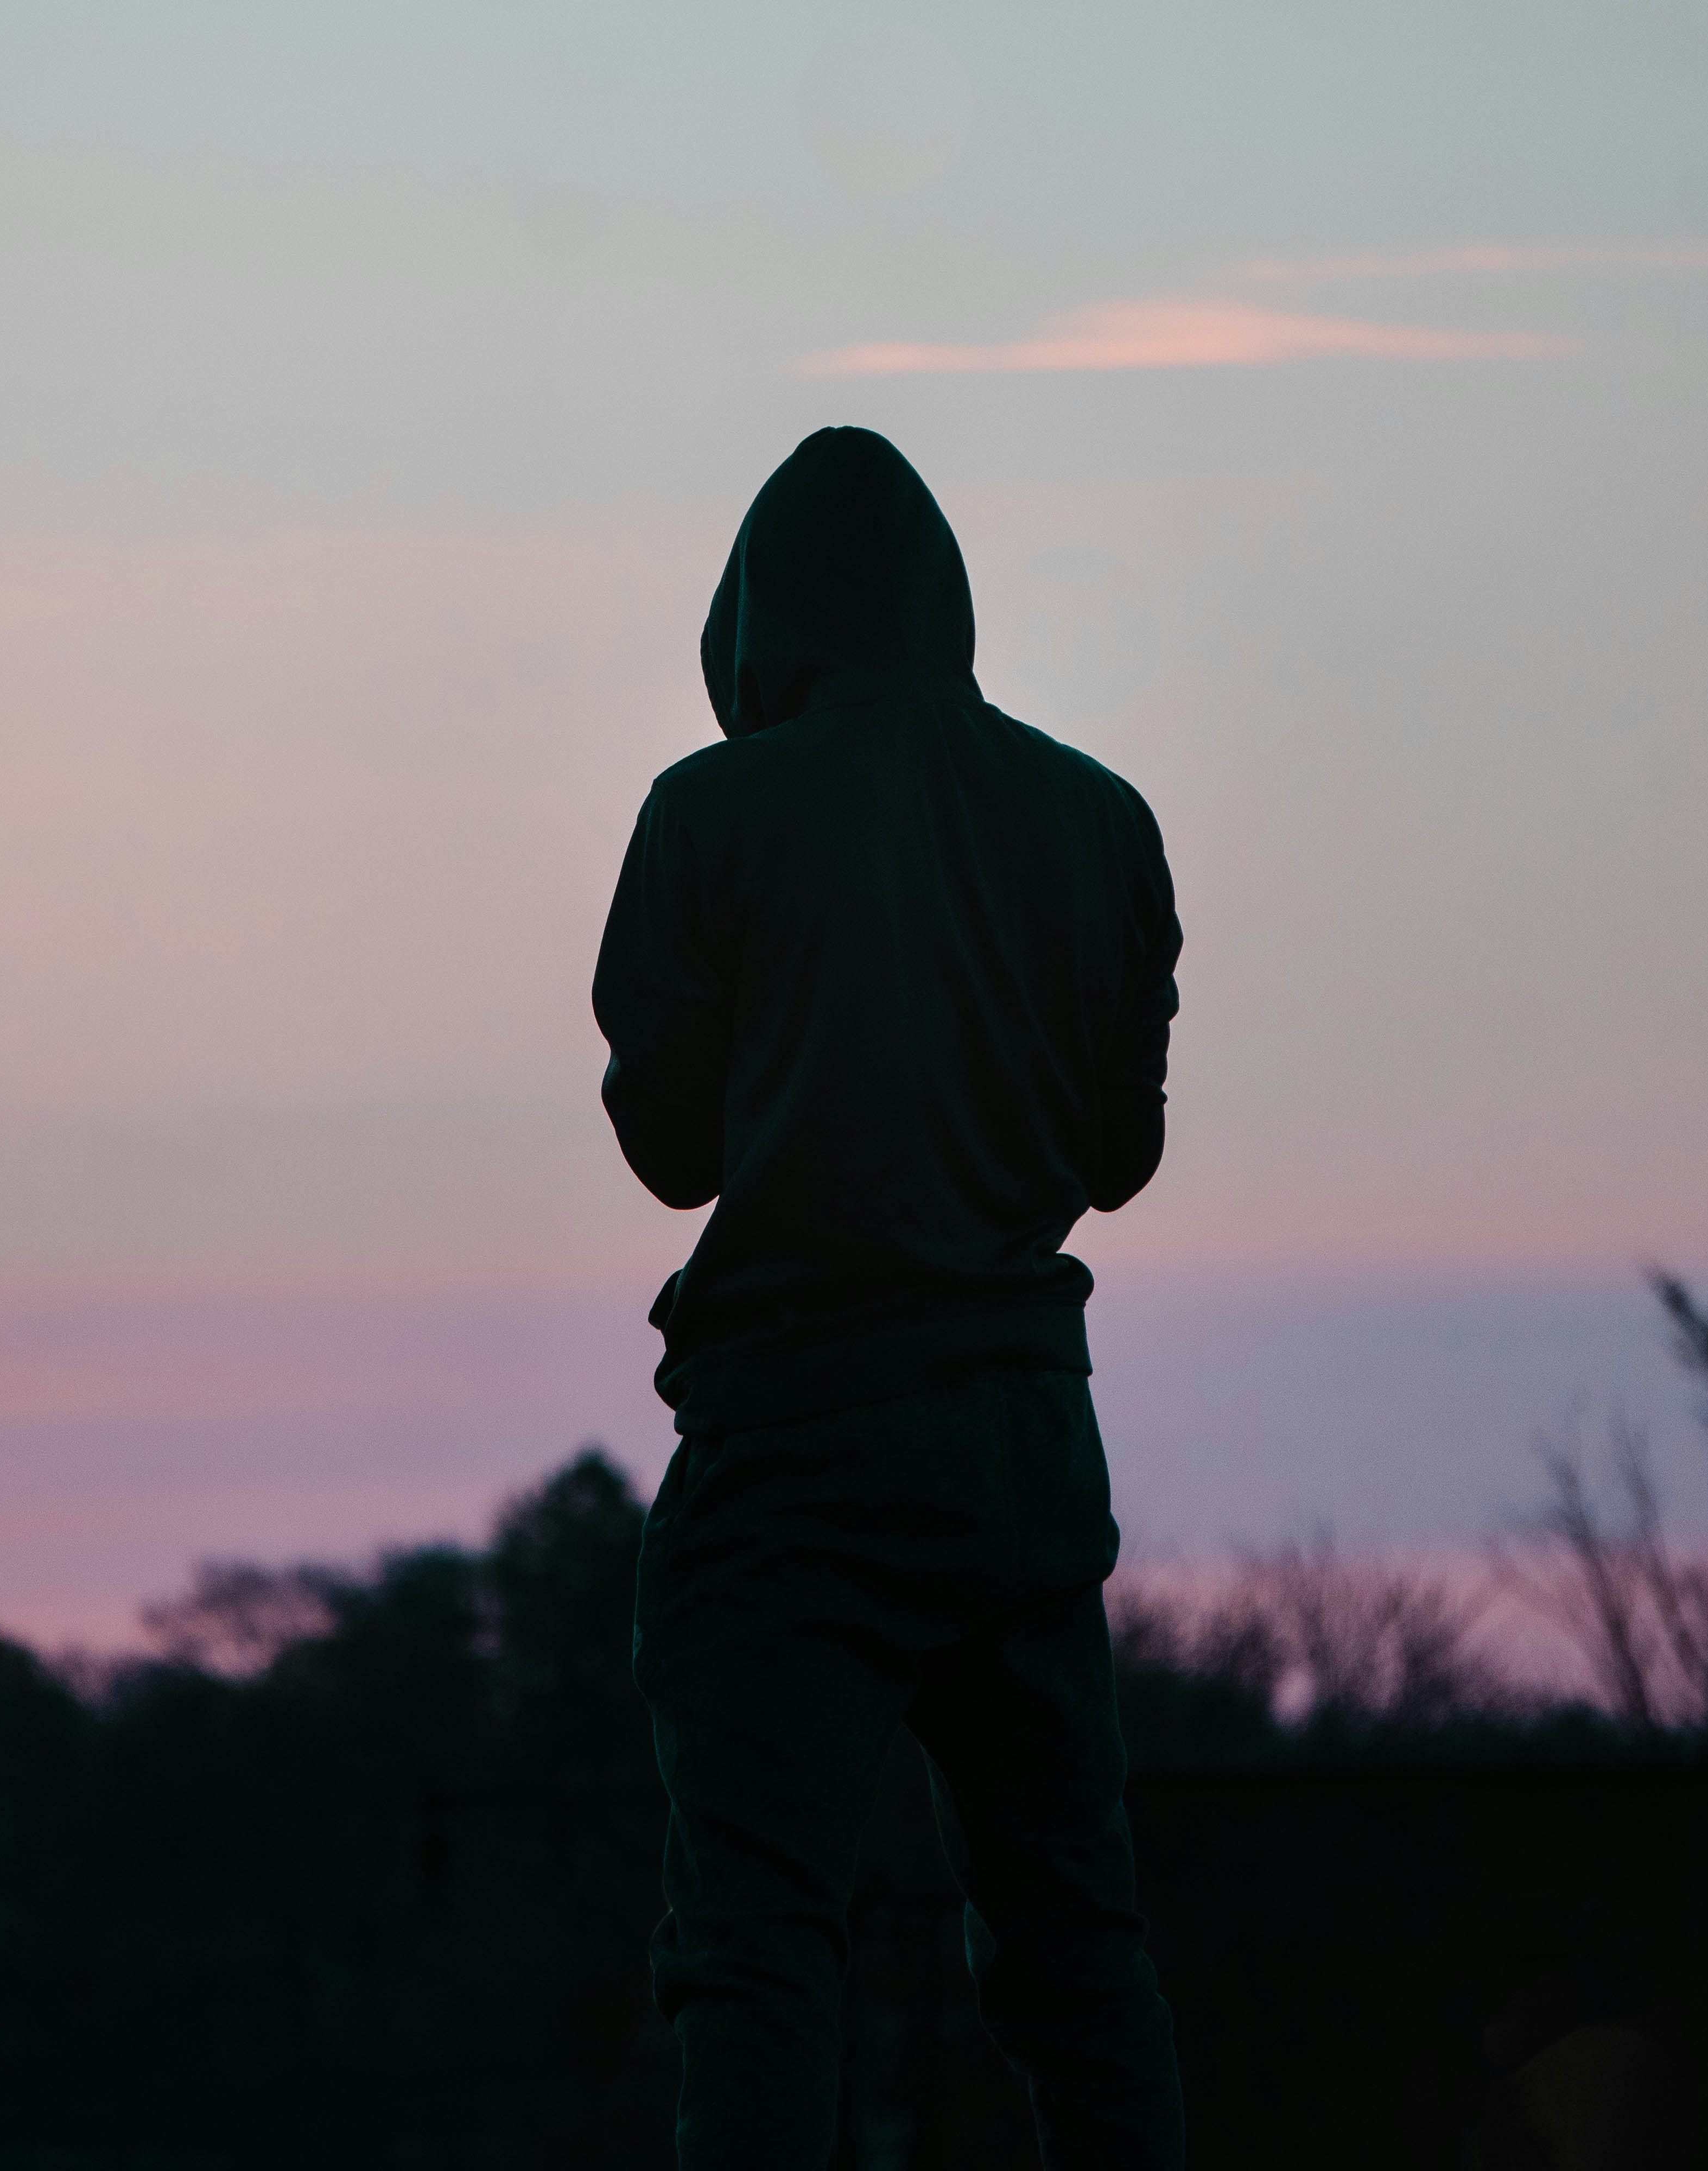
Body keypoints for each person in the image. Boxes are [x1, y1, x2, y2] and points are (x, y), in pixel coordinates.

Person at [594, 427, 1185, 2171]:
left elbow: (671, 1148)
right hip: (1021, 1448)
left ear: (755, 627)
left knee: (759, 1956)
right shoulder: (1102, 818)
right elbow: (1120, 1151)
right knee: (1081, 1955)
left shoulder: (713, 813)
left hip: (793, 1454)